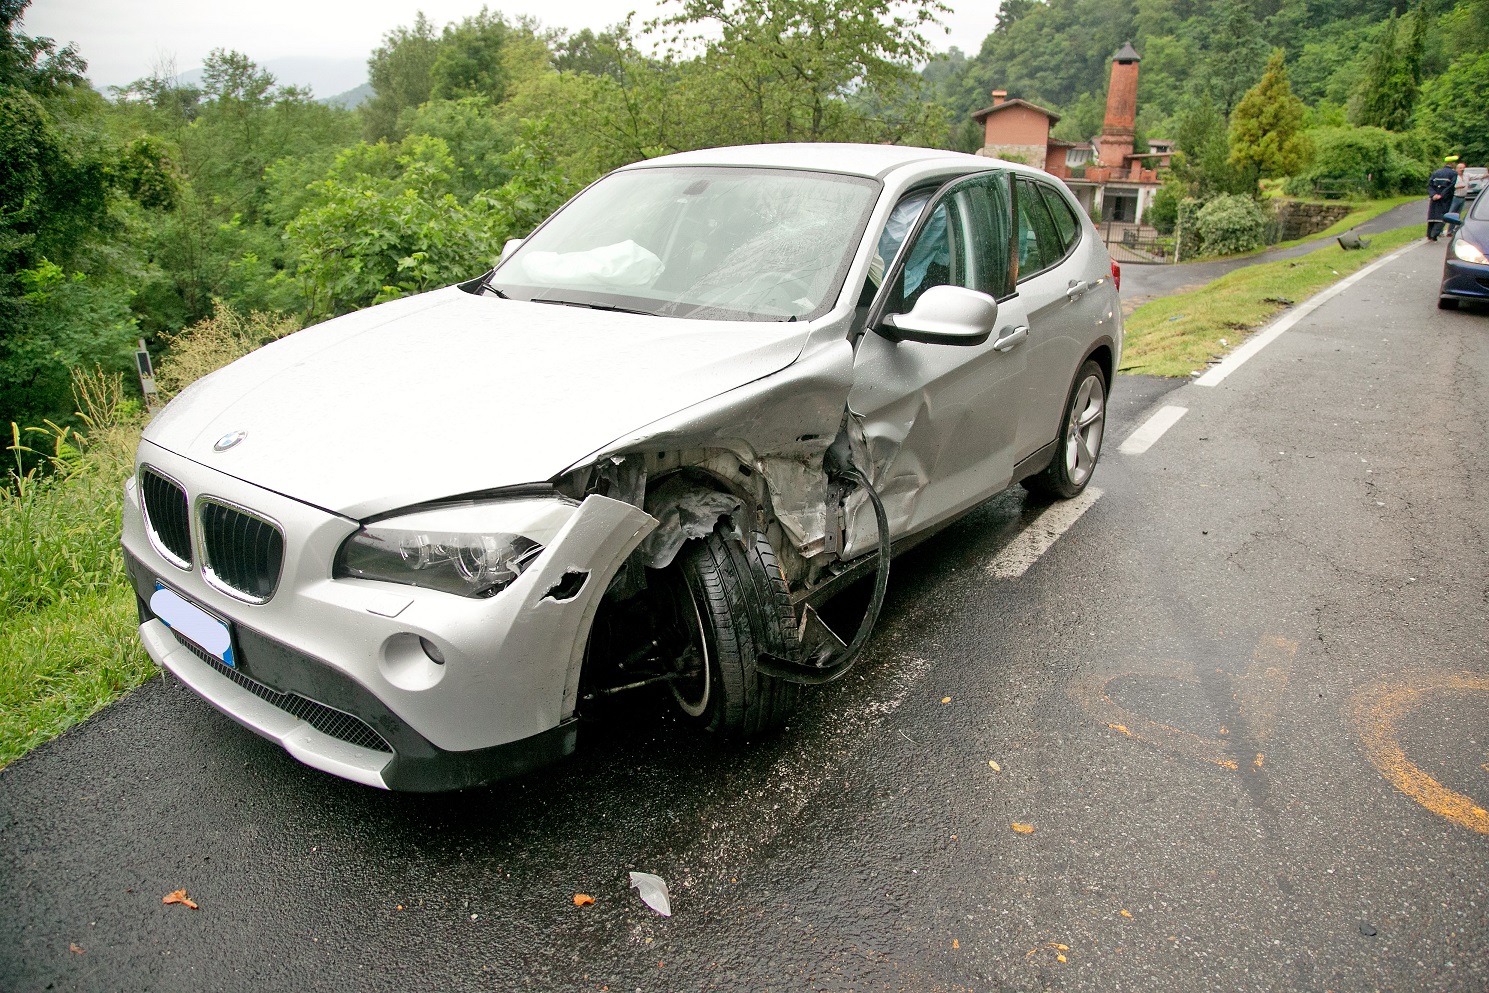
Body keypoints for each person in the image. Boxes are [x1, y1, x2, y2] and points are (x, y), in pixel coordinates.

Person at [1427, 158, 1458, 241]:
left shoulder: (1436, 172)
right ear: (1452, 163)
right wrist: (1441, 195)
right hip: (1445, 198)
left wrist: (1433, 194)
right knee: (1442, 215)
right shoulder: (1453, 173)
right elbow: (1450, 186)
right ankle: (1434, 234)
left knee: (1432, 215)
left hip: (1434, 197)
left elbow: (1430, 184)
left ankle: (1429, 234)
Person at [1448, 161, 1469, 234]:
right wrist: (1458, 187)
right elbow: (1450, 186)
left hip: (1463, 197)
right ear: (1457, 169)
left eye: (1463, 168)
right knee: (1450, 214)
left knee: (1457, 215)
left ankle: (1452, 230)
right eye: (1460, 168)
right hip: (1455, 197)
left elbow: (1477, 176)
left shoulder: (1466, 176)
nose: (1462, 169)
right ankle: (1444, 230)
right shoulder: (1454, 176)